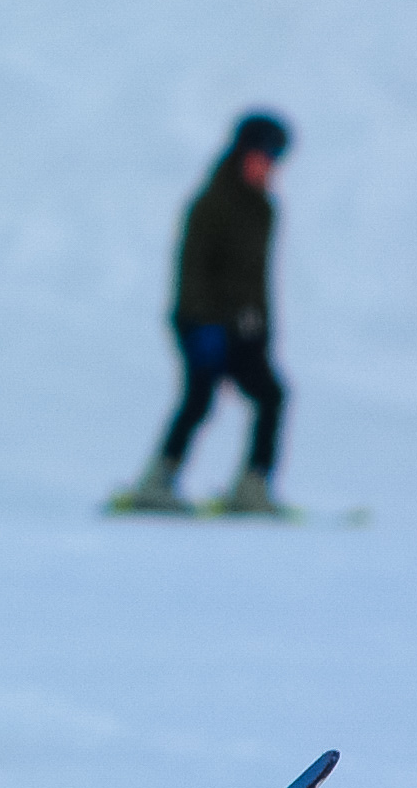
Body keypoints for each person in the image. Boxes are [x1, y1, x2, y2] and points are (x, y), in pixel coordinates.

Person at [115, 110, 292, 516]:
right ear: (242, 153)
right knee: (199, 399)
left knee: (270, 395)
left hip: (242, 327)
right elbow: (192, 268)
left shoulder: (263, 209)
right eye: (262, 155)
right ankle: (155, 484)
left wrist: (260, 328)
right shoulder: (213, 202)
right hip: (201, 323)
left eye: (274, 158)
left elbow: (255, 279)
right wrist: (202, 326)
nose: (268, 165)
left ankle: (252, 488)